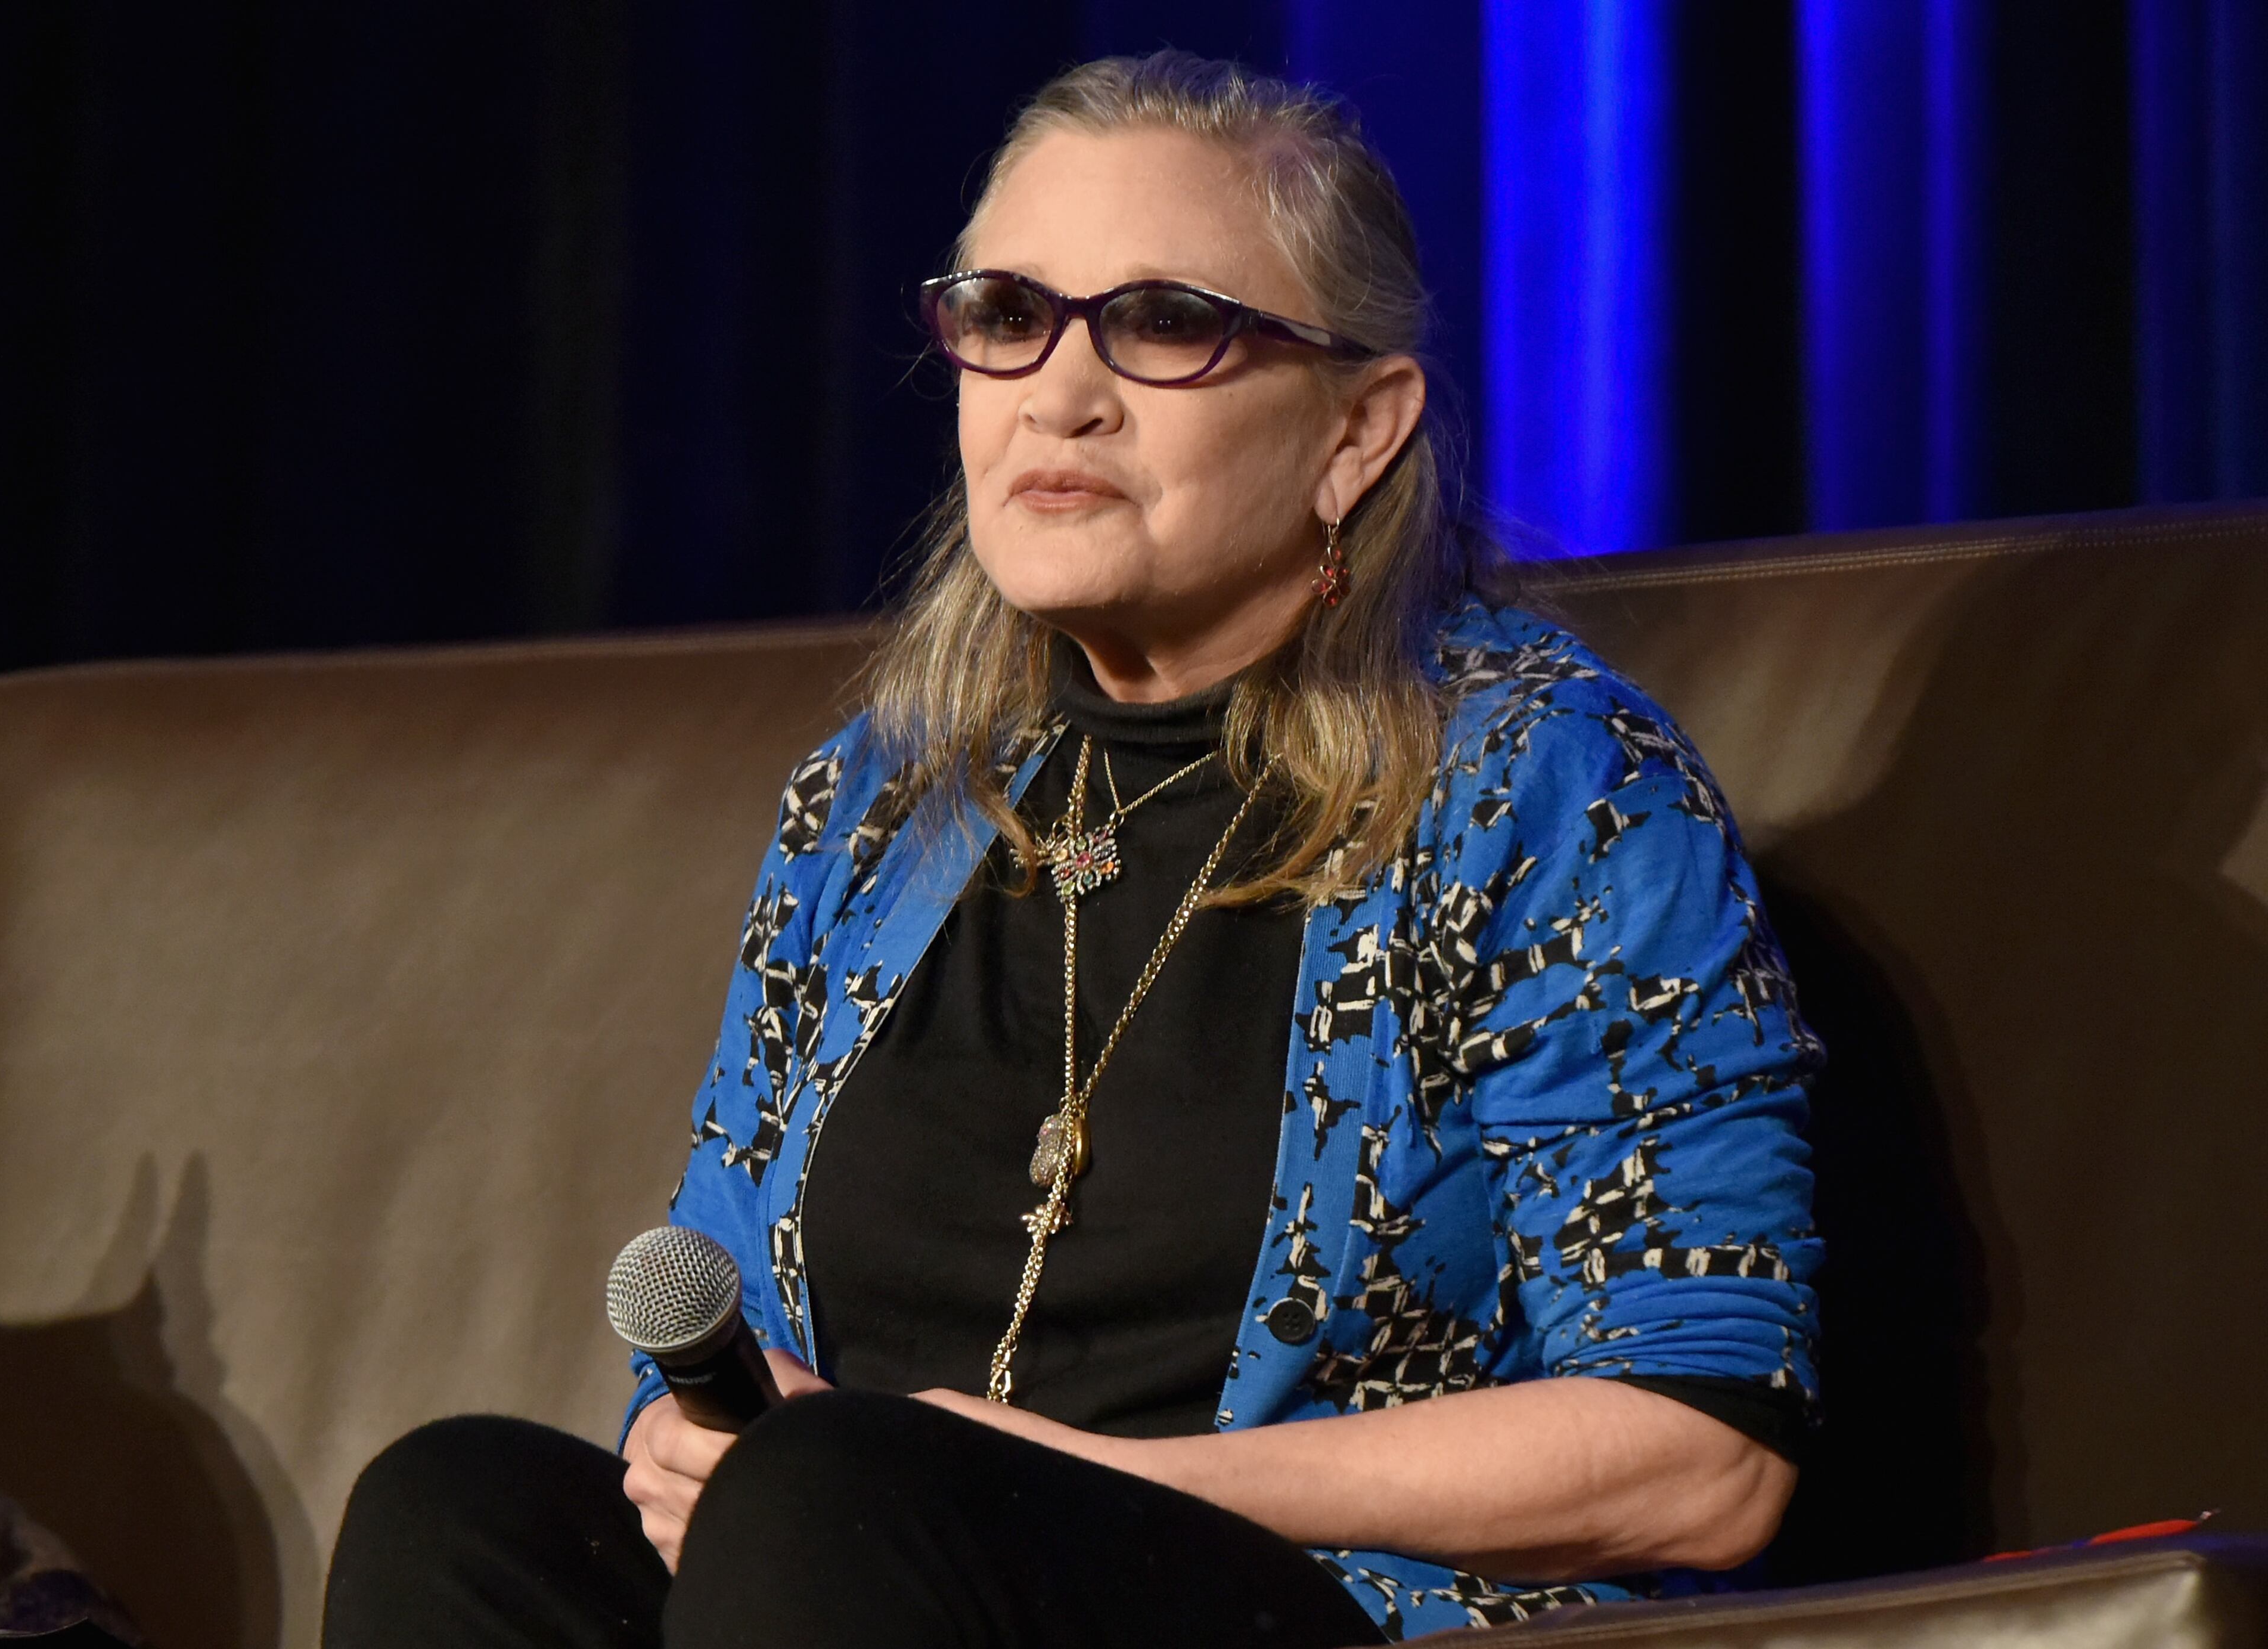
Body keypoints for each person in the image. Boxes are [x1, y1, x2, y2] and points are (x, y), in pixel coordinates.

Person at [324, 51, 1821, 1648]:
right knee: (460, 1510)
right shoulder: (882, 804)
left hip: (1305, 1608)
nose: (1060, 391)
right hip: (847, 1573)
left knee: (842, 1495)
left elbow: (1703, 1453)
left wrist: (1104, 1476)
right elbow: (721, 1341)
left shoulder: (1549, 784)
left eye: (1167, 324)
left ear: (1357, 431)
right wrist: (681, 1444)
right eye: (1007, 315)